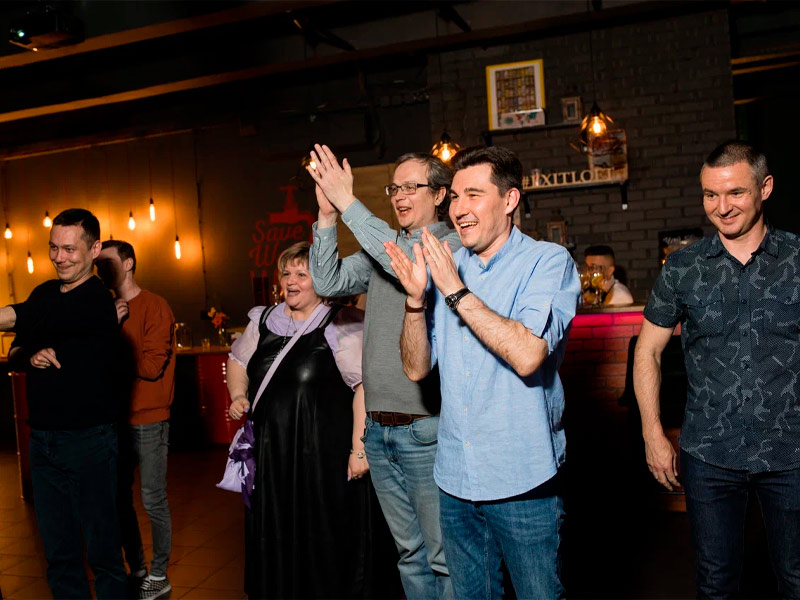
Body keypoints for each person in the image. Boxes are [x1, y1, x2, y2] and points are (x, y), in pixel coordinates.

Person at [385, 146, 580, 599]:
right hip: (454, 478)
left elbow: (528, 354)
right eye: (455, 197)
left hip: (523, 479)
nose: (458, 209)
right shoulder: (445, 268)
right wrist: (414, 301)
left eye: (473, 195)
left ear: (510, 200)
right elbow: (415, 368)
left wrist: (454, 291)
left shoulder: (547, 262)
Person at [634, 140, 800, 598]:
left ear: (765, 188)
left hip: (791, 451)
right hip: (710, 452)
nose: (721, 208)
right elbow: (647, 352)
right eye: (710, 194)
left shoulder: (796, 258)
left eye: (735, 193)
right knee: (715, 584)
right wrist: (652, 433)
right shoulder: (683, 268)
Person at [307, 144, 459, 599]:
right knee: (409, 555)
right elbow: (327, 282)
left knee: (443, 558)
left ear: (440, 195)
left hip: (425, 429)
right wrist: (328, 217)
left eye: (412, 187)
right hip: (378, 429)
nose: (400, 196)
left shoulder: (451, 245)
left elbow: (406, 263)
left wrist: (348, 201)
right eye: (395, 188)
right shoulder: (382, 248)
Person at [226, 242, 372, 599]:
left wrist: (359, 449)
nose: (291, 281)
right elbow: (238, 361)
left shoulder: (340, 322)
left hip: (319, 459)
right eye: (286, 273)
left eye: (302, 274)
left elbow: (363, 387)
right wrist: (239, 394)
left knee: (320, 534)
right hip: (271, 456)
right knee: (274, 529)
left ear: (323, 280)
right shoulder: (264, 320)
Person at [0, 208, 127, 599]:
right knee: (59, 555)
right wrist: (31, 354)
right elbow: (16, 351)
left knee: (104, 554)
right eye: (53, 248)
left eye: (70, 249)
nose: (59, 257)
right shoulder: (44, 292)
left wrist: (22, 327)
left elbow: (30, 316)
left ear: (95, 250)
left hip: (90, 442)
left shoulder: (97, 300)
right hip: (43, 443)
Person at [96, 240, 176, 600]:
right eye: (98, 264)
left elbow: (151, 366)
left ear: (128, 263)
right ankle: (139, 568)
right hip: (113, 420)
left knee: (152, 499)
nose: (101, 269)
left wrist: (110, 334)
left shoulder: (155, 306)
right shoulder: (102, 308)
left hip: (148, 418)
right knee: (118, 500)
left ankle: (159, 575)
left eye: (108, 262)